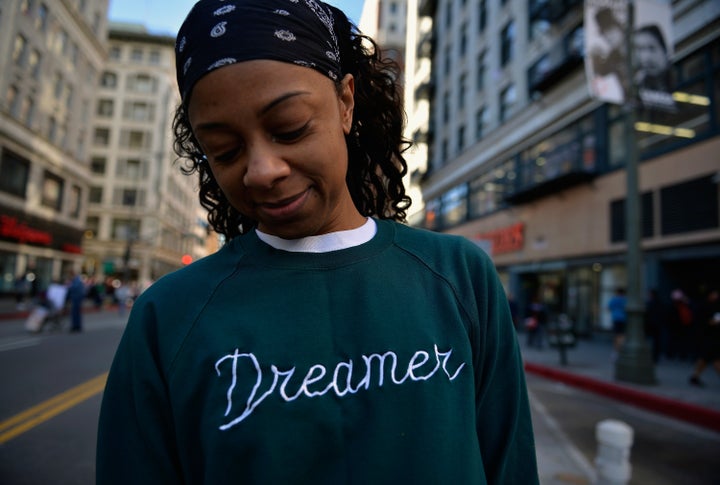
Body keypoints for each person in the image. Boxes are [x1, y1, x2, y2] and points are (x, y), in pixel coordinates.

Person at [96, 1, 539, 484]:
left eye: (289, 127)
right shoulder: (167, 316)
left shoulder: (460, 276)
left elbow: (509, 464)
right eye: (224, 150)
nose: (262, 171)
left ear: (345, 103)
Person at [589, 6, 629, 103]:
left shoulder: (639, 44)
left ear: (619, 27)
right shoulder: (612, 57)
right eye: (604, 33)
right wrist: (595, 58)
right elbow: (601, 74)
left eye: (610, 30)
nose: (608, 37)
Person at [633, 24, 674, 109]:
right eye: (641, 50)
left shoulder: (677, 76)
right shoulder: (640, 83)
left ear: (665, 50)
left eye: (652, 48)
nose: (646, 58)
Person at [689, 289, 720, 387]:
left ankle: (695, 376)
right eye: (714, 293)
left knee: (705, 359)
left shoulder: (715, 306)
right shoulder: (704, 306)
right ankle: (694, 377)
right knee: (715, 359)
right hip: (708, 337)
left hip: (712, 337)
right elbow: (703, 322)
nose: (716, 295)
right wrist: (713, 322)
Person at [608, 287, 627, 358]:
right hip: (624, 319)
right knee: (622, 335)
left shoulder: (614, 299)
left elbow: (609, 307)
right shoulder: (625, 299)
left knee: (616, 335)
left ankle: (616, 351)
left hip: (616, 318)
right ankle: (620, 349)